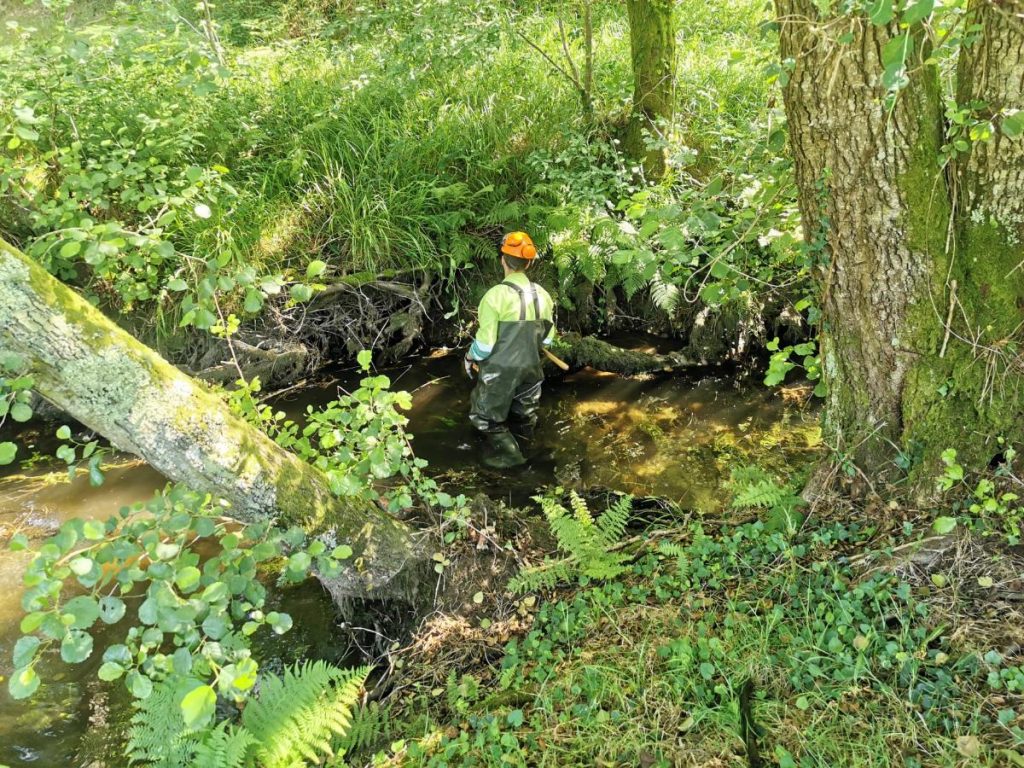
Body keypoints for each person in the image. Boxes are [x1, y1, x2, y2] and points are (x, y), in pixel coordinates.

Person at [464, 231, 556, 468]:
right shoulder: (544, 296)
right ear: (530, 263)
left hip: (499, 373)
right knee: (524, 416)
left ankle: (512, 460)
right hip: (531, 370)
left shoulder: (494, 296)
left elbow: (484, 346)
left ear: (502, 260)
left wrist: (469, 356)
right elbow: (547, 341)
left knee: (485, 418)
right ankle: (530, 453)